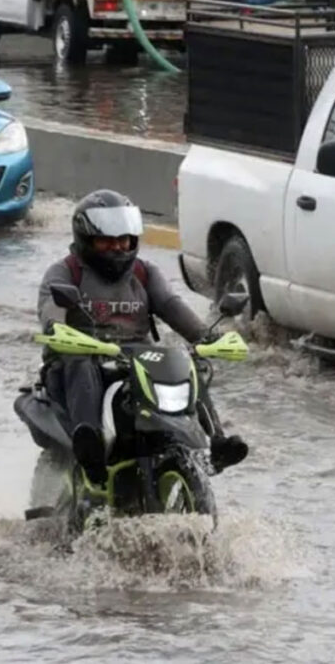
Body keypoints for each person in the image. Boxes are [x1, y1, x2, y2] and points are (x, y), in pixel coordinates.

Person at [37, 189, 249, 487]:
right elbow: (51, 311)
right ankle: (91, 446)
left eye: (124, 240)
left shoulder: (145, 273)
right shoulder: (64, 273)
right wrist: (57, 329)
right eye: (107, 241)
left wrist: (208, 337)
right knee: (79, 361)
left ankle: (215, 442)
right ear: (86, 239)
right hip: (83, 355)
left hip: (134, 358)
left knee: (189, 363)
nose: (117, 248)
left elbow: (173, 307)